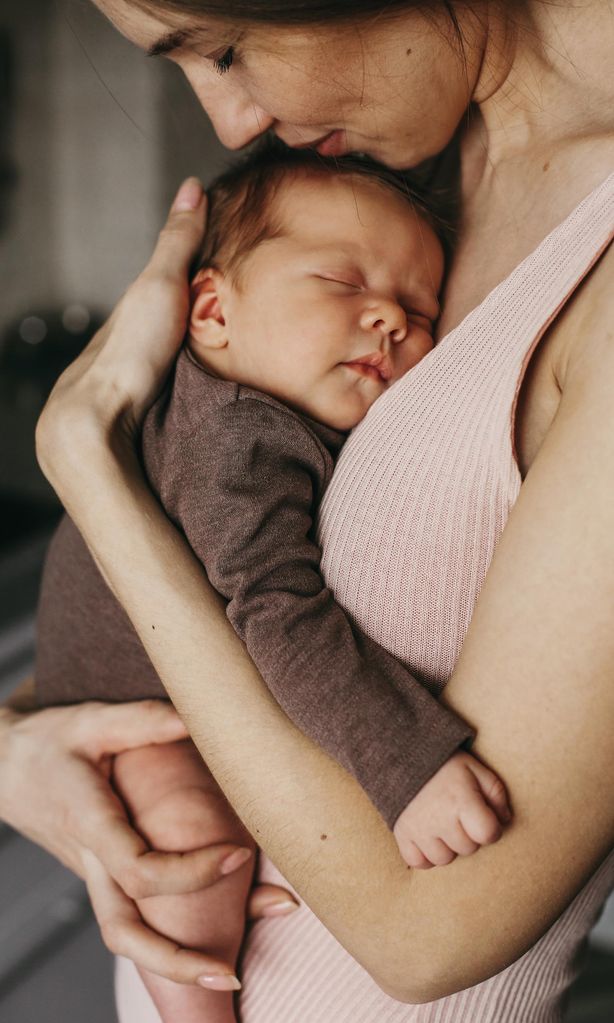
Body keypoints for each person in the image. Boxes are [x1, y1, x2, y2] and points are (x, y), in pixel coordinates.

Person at [2, 1, 613, 1020]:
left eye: (224, 46)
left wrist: (83, 463)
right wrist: (18, 751)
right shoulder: (401, 175)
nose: (230, 120)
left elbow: (427, 940)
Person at [36, 141, 510, 1023]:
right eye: (342, 282)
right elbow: (279, 615)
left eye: (419, 306)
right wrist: (407, 762)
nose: (390, 321)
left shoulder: (275, 412)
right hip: (130, 707)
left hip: (146, 688)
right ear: (211, 310)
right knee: (193, 844)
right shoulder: (233, 436)